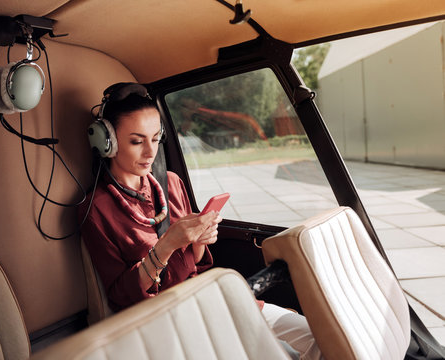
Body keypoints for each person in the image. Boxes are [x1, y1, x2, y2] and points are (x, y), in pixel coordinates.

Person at [79, 83, 322, 360]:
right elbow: (121, 295)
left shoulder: (170, 183)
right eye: (137, 141)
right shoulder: (95, 209)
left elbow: (198, 266)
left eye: (156, 138)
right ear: (106, 141)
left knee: (321, 336)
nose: (150, 152)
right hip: (165, 319)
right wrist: (167, 245)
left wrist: (199, 241)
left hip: (209, 298)